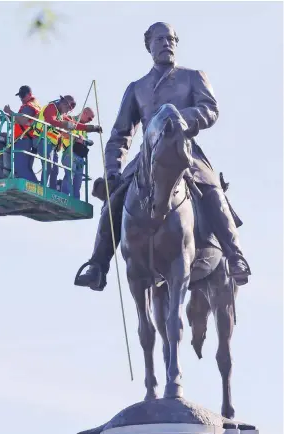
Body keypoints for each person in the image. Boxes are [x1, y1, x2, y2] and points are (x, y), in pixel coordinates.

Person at [75, 21, 251, 292]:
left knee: (213, 190)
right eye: (160, 40)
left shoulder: (193, 76)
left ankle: (235, 254)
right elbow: (121, 134)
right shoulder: (137, 88)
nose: (167, 44)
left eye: (171, 39)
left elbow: (210, 109)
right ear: (149, 47)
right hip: (147, 155)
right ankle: (98, 265)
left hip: (186, 149)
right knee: (115, 199)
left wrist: (183, 119)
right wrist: (113, 168)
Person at [32, 96, 102, 187]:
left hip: (51, 145)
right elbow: (50, 120)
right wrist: (64, 124)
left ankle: (52, 192)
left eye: (70, 110)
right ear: (63, 103)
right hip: (41, 139)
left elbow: (76, 125)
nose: (68, 111)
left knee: (54, 170)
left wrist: (93, 128)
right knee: (48, 165)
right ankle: (42, 188)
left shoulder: (61, 115)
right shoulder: (51, 107)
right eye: (68, 108)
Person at [3, 85, 41, 182]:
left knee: (21, 167)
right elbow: (24, 121)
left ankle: (35, 188)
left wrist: (10, 112)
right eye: (20, 96)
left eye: (23, 96)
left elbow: (23, 120)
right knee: (26, 168)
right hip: (29, 139)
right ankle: (36, 187)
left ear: (29, 94)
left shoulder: (29, 106)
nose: (21, 98)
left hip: (24, 139)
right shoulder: (35, 105)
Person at [61, 107, 96, 199]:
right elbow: (62, 133)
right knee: (70, 176)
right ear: (84, 113)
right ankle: (63, 197)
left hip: (80, 157)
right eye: (89, 118)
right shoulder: (70, 120)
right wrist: (76, 137)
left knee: (78, 182)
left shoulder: (84, 129)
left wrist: (85, 141)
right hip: (69, 154)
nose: (89, 121)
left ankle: (76, 201)